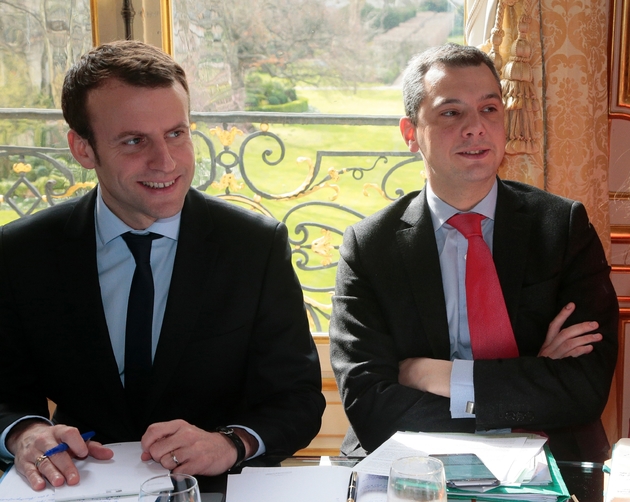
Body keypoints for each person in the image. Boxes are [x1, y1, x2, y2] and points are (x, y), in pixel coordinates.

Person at [0, 40, 325, 490]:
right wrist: (25, 433)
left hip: (218, 490)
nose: (166, 161)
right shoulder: (22, 252)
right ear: (83, 149)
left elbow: (297, 399)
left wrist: (230, 443)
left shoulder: (254, 246)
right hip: (76, 487)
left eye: (176, 133)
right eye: (135, 141)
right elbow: (5, 392)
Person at [330, 43, 618, 463]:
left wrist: (438, 377)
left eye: (489, 109)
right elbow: (371, 404)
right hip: (411, 459)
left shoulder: (561, 227)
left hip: (550, 455)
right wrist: (530, 376)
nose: (475, 128)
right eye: (451, 113)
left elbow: (584, 388)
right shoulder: (369, 247)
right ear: (411, 134)